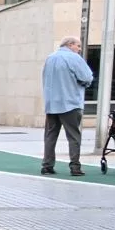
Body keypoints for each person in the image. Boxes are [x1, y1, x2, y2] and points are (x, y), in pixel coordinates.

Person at [42, 35, 93, 176]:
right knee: (74, 136)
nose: (79, 49)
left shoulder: (50, 58)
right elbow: (87, 77)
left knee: (50, 135)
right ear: (70, 44)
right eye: (78, 46)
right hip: (70, 102)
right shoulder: (74, 58)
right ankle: (75, 166)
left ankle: (47, 165)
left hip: (52, 104)